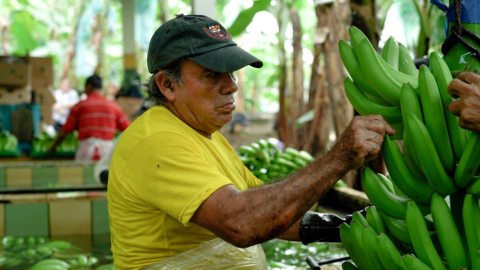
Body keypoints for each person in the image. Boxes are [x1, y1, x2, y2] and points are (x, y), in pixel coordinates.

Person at [107, 14, 395, 270]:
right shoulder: (157, 141)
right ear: (167, 85)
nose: (231, 85)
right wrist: (339, 157)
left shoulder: (206, 136)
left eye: (231, 73)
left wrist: (358, 226)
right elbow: (242, 223)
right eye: (211, 75)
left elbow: (274, 215)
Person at [48, 75, 130, 161]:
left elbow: (65, 131)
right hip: (107, 153)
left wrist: (53, 147)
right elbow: (128, 130)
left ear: (88, 86)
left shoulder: (80, 106)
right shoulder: (114, 107)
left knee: (83, 174)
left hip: (85, 151)